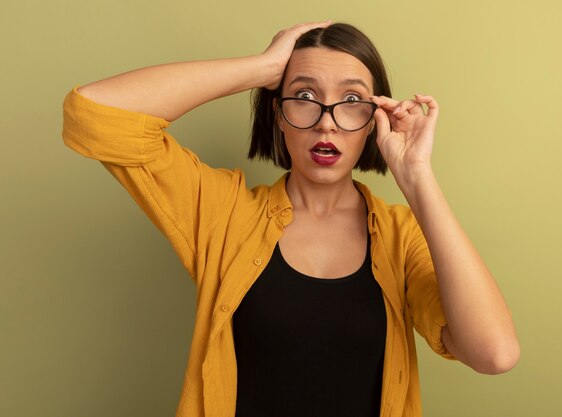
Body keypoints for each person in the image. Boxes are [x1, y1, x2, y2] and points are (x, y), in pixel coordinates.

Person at [62, 20, 519, 417]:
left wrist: (418, 177)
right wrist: (260, 69)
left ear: (376, 118)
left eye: (352, 99)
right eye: (303, 96)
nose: (327, 122)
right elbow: (94, 114)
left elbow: (494, 353)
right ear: (277, 113)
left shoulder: (403, 236)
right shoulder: (225, 213)